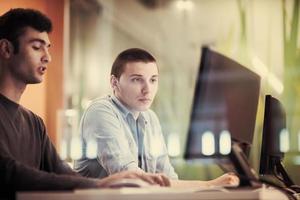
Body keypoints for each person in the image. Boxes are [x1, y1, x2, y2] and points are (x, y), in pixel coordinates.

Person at [0, 8, 169, 200]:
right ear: (6, 49)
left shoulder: (34, 123)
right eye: (37, 47)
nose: (48, 56)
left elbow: (62, 173)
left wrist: (102, 184)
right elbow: (9, 172)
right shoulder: (101, 110)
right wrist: (102, 184)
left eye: (48, 47)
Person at [74, 48, 239, 188]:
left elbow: (168, 179)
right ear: (114, 82)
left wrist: (212, 186)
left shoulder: (149, 118)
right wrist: (210, 185)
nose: (147, 89)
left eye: (153, 80)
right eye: (137, 80)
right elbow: (129, 178)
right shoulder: (100, 112)